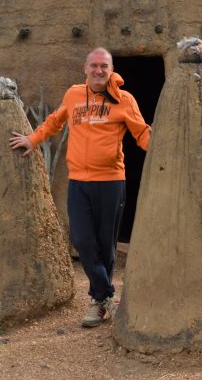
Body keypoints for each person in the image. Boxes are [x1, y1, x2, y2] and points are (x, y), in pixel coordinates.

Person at [9, 47, 151, 328]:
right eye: (94, 66)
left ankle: (98, 303)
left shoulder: (124, 99)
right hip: (79, 181)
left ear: (111, 70)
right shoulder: (74, 95)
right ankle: (108, 295)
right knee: (83, 240)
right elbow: (54, 122)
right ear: (85, 69)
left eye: (104, 66)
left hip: (111, 181)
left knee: (106, 247)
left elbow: (141, 134)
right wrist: (33, 139)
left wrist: (163, 144)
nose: (99, 71)